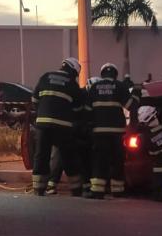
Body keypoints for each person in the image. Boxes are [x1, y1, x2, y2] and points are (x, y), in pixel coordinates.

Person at [31, 58, 85, 196]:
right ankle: (76, 189)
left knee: (41, 155)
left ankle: (39, 188)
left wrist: (42, 113)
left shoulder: (45, 77)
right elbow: (78, 109)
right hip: (63, 126)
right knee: (68, 156)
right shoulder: (72, 83)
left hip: (43, 124)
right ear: (73, 71)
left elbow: (34, 100)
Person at [88, 63, 138, 199]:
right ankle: (117, 191)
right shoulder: (120, 86)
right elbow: (131, 106)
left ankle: (97, 191)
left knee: (100, 161)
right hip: (117, 132)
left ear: (102, 74)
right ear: (115, 74)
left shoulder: (94, 87)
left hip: (98, 131)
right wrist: (136, 94)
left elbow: (87, 109)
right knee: (117, 161)